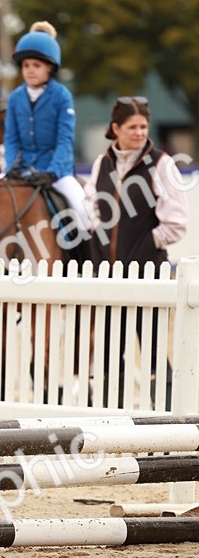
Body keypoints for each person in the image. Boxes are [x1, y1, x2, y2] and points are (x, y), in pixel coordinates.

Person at [83, 95, 189, 405]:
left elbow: (176, 223)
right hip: (108, 275)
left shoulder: (162, 164)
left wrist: (144, 246)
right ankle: (107, 413)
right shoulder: (102, 163)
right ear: (116, 128)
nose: (140, 132)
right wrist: (100, 239)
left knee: (155, 349)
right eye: (133, 127)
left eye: (144, 126)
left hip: (148, 274)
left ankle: (169, 416)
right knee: (109, 349)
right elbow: (92, 207)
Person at [3, 21, 92, 237]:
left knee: (83, 214)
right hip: (21, 171)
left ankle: (86, 265)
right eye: (26, 66)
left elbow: (64, 140)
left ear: (49, 67)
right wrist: (11, 166)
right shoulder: (15, 98)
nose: (30, 70)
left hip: (56, 173)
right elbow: (11, 138)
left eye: (36, 65)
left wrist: (52, 171)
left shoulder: (62, 96)